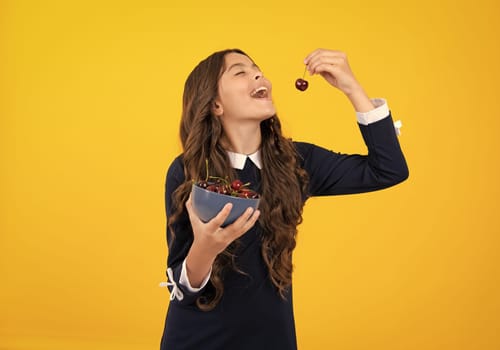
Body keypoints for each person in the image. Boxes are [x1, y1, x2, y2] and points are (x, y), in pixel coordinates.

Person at [159, 48, 409, 350]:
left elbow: (388, 169)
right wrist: (205, 248)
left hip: (272, 338)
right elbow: (183, 290)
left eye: (257, 69)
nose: (257, 74)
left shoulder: (297, 162)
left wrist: (351, 87)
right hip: (197, 339)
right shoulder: (188, 171)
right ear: (215, 104)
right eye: (240, 71)